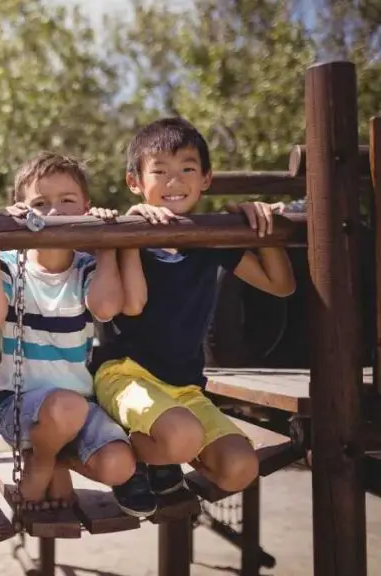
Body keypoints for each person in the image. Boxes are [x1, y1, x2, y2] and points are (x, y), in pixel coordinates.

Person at [92, 117, 296, 498]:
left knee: (240, 468)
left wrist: (263, 227)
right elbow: (132, 306)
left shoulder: (210, 238)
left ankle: (166, 459)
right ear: (134, 182)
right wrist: (133, 233)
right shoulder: (122, 231)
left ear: (206, 178)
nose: (174, 181)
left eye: (187, 168)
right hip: (125, 375)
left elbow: (280, 286)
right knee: (181, 437)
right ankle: (139, 452)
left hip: (184, 386)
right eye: (160, 171)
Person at [0, 151, 157, 517]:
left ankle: (55, 457)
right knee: (66, 407)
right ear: (21, 211)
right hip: (19, 406)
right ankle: (44, 460)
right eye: (40, 203)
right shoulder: (12, 265)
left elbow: (105, 307)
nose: (55, 212)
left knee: (120, 466)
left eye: (67, 201)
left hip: (78, 408)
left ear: (86, 208)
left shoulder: (86, 267)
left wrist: (104, 242)